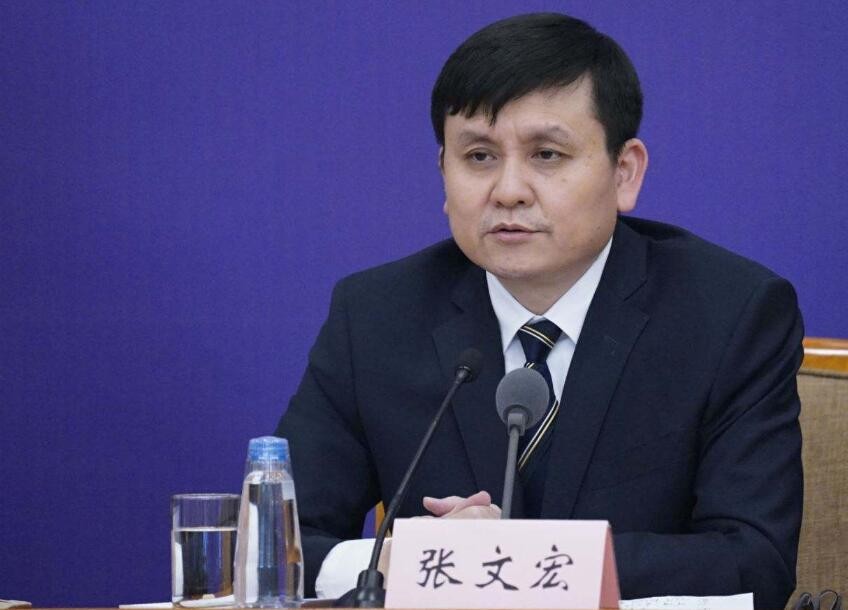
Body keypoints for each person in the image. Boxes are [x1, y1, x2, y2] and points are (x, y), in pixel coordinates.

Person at [276, 12, 804, 608]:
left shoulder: (730, 314)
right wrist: (399, 561)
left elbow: (753, 559)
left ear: (624, 173)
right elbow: (278, 545)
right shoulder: (375, 316)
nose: (508, 191)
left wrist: (513, 564)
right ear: (443, 173)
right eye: (479, 156)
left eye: (547, 155)